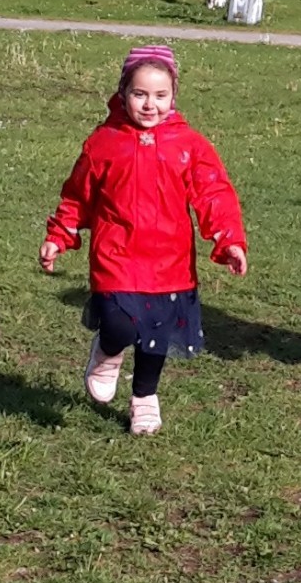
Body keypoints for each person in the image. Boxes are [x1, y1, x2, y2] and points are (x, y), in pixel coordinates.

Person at [40, 43, 248, 435]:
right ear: (123, 94)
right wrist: (60, 234)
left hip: (169, 263)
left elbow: (214, 193)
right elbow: (78, 195)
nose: (150, 105)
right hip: (116, 256)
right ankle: (107, 351)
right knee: (121, 325)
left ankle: (144, 398)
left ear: (174, 97)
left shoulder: (189, 145)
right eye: (140, 94)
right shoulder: (103, 142)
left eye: (160, 95)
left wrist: (228, 241)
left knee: (156, 335)